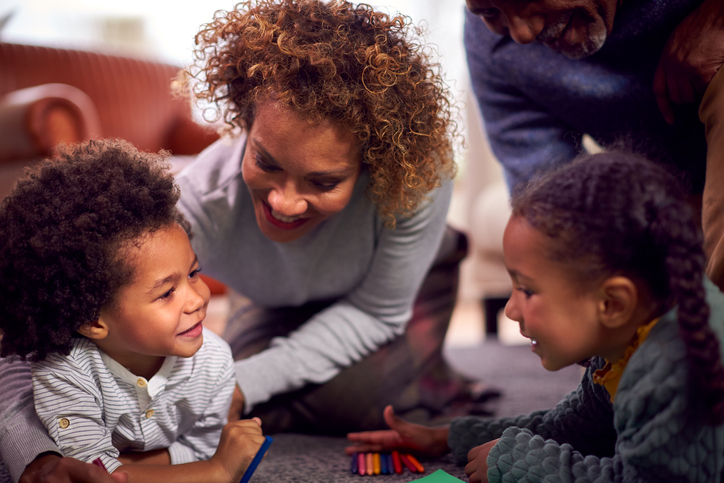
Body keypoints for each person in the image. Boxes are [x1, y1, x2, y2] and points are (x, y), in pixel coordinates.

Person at [173, 0, 471, 434]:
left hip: (389, 286)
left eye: (324, 182)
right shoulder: (197, 204)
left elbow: (374, 313)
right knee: (237, 397)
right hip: (277, 293)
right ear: (245, 122)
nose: (284, 204)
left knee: (352, 405)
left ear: (371, 164)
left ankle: (431, 359)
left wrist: (246, 382)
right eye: (267, 162)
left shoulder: (415, 180)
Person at [346, 151, 724, 482]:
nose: (510, 310)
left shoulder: (673, 367)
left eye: (526, 290)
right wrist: (447, 436)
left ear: (612, 303)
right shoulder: (628, 339)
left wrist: (522, 465)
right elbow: (574, 427)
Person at [0, 139, 266, 482]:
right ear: (92, 321)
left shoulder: (214, 363)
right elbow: (90, 474)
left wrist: (126, 467)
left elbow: (199, 449)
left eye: (193, 274)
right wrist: (216, 471)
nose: (198, 299)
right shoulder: (66, 372)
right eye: (167, 293)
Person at [463, 0, 724, 287]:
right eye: (489, 12)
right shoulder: (490, 48)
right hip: (673, 198)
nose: (522, 34)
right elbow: (551, 207)